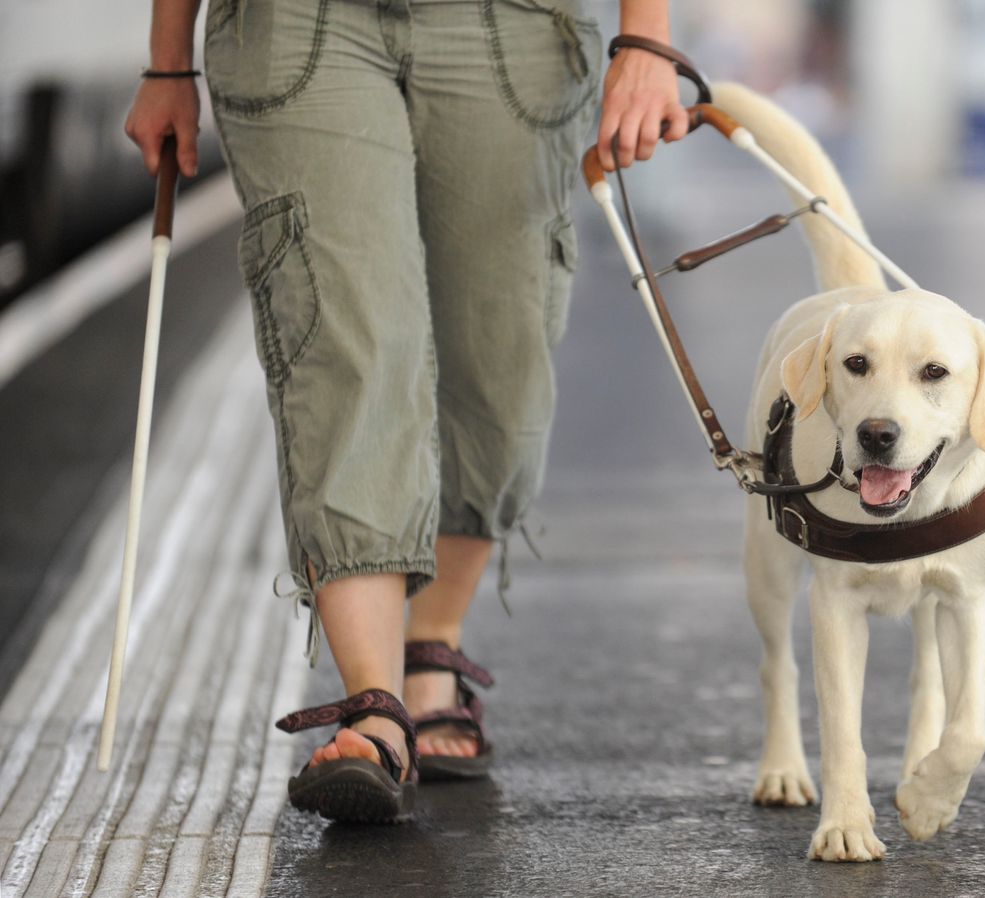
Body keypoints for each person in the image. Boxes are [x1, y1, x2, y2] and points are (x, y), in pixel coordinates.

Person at [125, 0, 689, 822]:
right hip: (298, 23)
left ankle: (435, 644)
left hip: (515, 28)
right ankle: (376, 705)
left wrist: (648, 36)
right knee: (349, 342)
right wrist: (167, 59)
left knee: (499, 356)